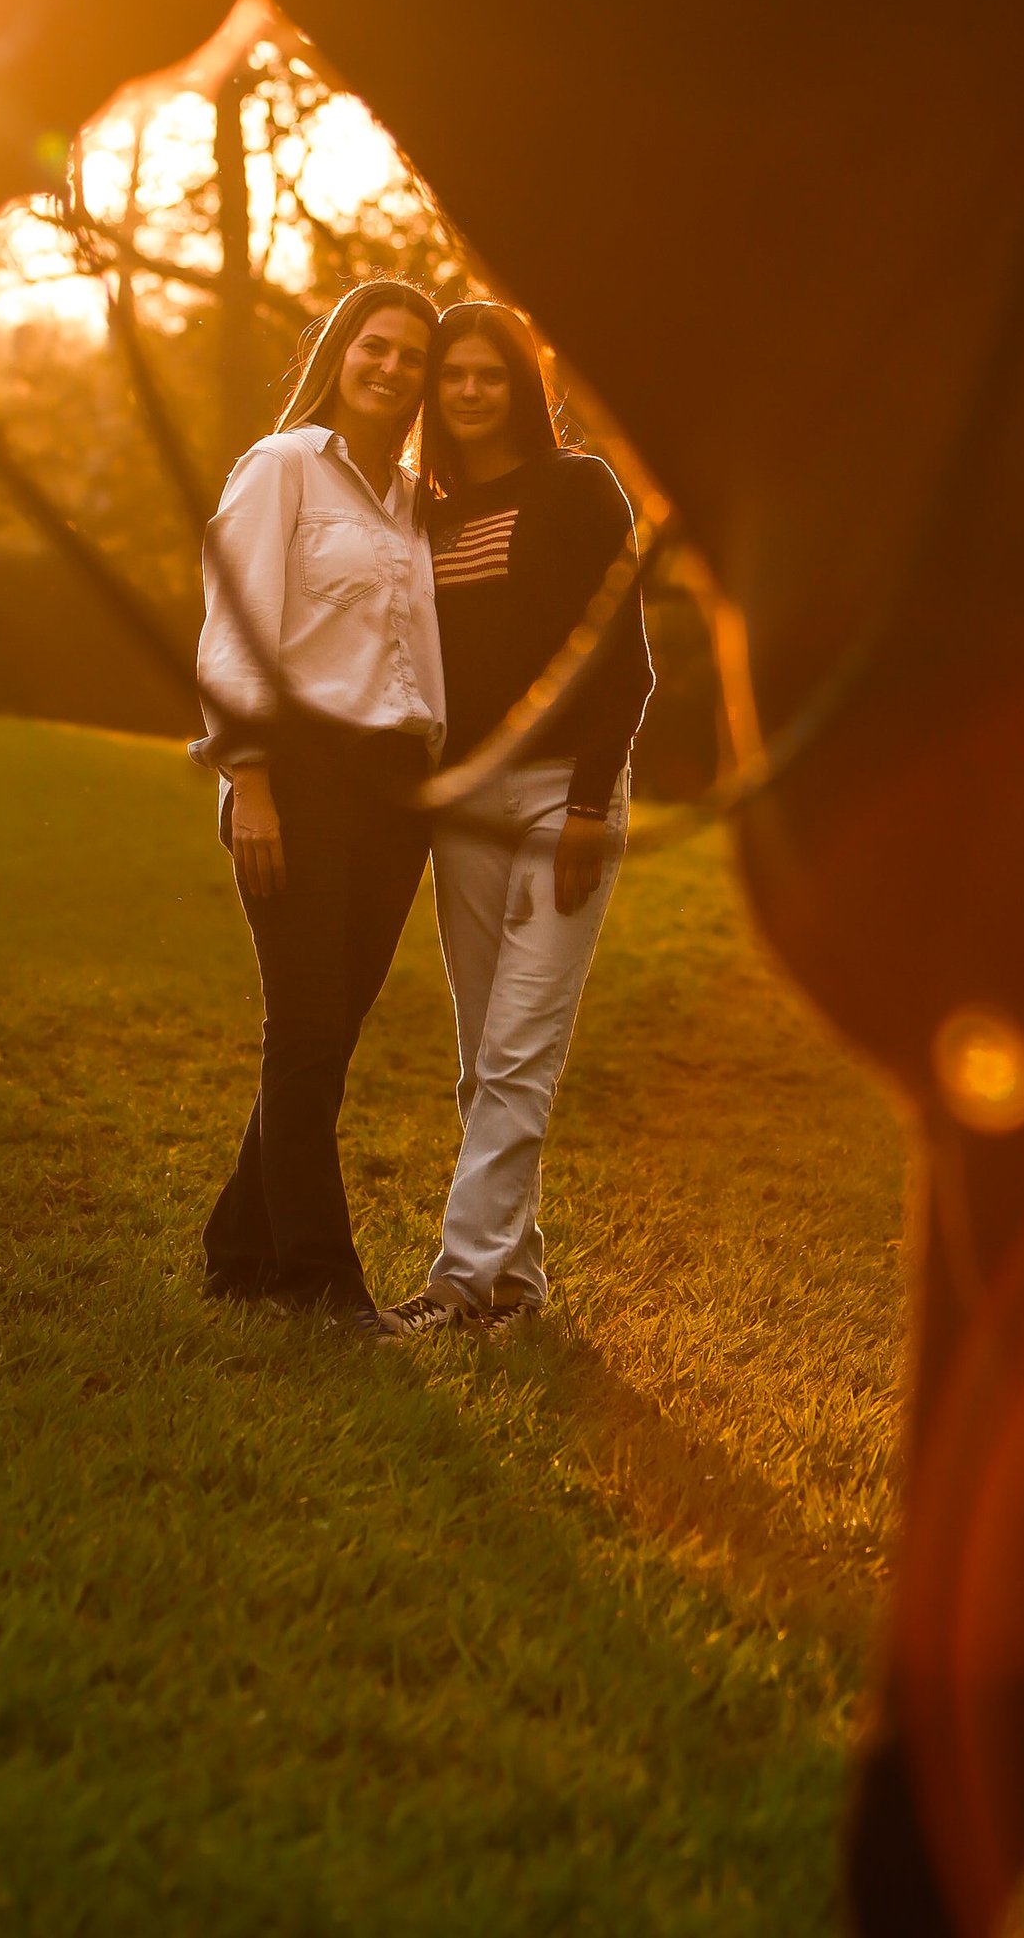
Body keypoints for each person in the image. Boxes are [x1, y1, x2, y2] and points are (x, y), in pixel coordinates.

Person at [380, 302, 653, 1341]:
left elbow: (623, 662)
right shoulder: (429, 513)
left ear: (522, 386)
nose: (469, 390)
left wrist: (586, 803)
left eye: (490, 373)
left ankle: (459, 1286)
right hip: (467, 807)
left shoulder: (578, 487)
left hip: (561, 799)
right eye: (452, 374)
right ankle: (515, 1282)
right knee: (480, 1057)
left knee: (516, 1053)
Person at [195, 280, 444, 1333]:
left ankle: (238, 1250)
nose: (391, 367)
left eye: (412, 356)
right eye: (374, 345)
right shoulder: (283, 465)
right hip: (297, 775)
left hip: (398, 789)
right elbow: (237, 619)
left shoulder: (417, 500)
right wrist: (248, 776)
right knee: (303, 1027)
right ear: (340, 350)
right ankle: (322, 1282)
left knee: (329, 1034)